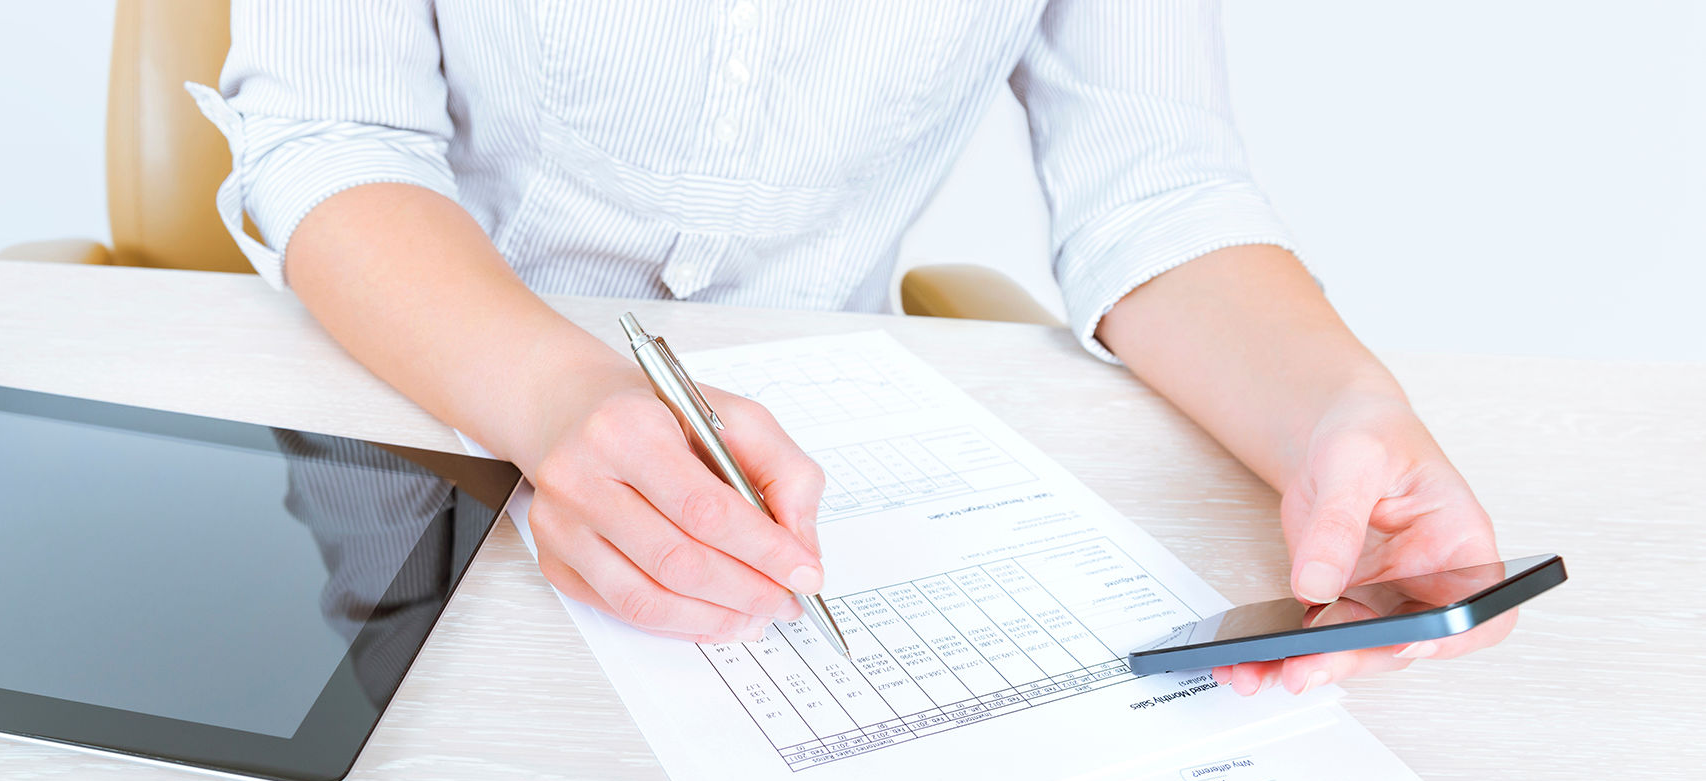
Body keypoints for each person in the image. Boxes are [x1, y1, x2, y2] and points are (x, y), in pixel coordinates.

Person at [190, 0, 1512, 697]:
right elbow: (332, 134)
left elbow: (1155, 185)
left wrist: (1340, 409)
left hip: (813, 466)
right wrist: (553, 398)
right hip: (411, 394)